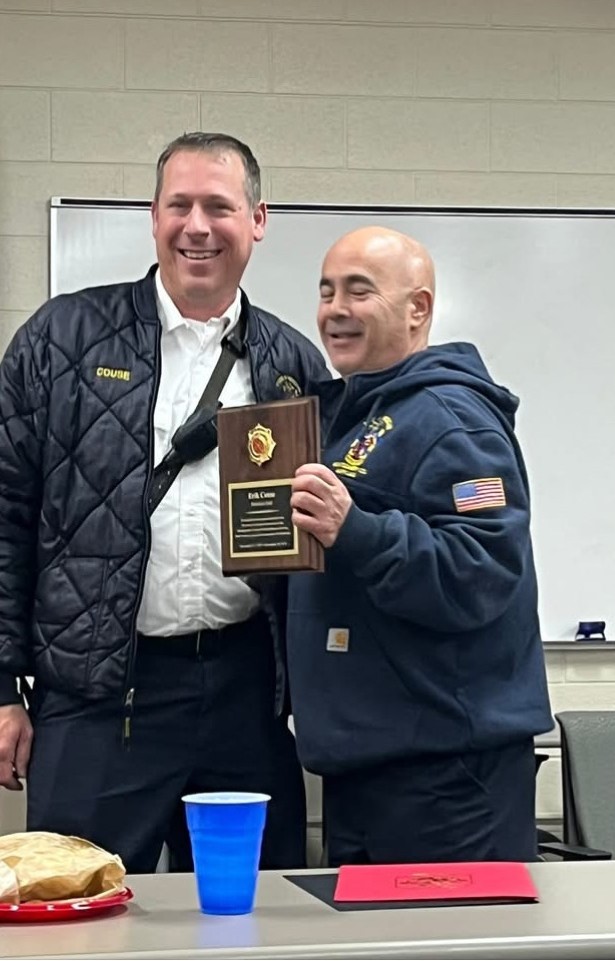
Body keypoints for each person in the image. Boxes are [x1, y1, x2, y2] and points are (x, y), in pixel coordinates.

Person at [0, 132, 331, 873]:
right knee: (73, 923)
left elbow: (320, 551)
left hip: (246, 701)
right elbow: (5, 516)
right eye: (179, 205)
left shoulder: (292, 366)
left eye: (219, 206)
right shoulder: (60, 340)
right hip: (96, 700)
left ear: (257, 219)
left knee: (249, 922)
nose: (198, 226)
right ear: (153, 218)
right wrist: (1, 689)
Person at [285, 226, 553, 866]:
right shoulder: (356, 416)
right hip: (372, 763)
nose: (335, 310)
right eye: (326, 292)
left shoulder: (452, 419)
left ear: (419, 309)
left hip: (445, 778)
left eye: (359, 291)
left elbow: (484, 569)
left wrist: (357, 531)